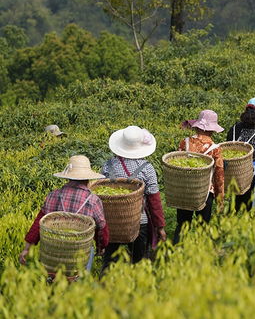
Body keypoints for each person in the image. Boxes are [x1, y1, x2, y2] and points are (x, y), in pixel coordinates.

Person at [19, 155, 109, 278]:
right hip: (78, 253)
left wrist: (27, 249)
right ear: (88, 179)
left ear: (68, 177)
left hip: (53, 251)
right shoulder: (93, 200)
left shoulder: (54, 195)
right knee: (80, 275)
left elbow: (39, 223)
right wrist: (101, 247)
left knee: (49, 282)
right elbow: (101, 228)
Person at [101, 126, 166, 272]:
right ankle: (140, 289)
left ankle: (104, 288)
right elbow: (154, 200)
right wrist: (160, 226)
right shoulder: (146, 168)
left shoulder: (108, 165)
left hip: (112, 222)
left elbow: (100, 193)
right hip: (137, 221)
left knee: (109, 261)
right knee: (140, 261)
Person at [173, 110, 224, 244]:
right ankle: (201, 256)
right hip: (205, 193)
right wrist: (220, 200)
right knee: (203, 226)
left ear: (197, 126)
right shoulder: (215, 148)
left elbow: (177, 165)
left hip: (185, 190)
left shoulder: (185, 142)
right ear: (212, 130)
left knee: (183, 225)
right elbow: (219, 175)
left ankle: (174, 255)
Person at [227, 98, 255, 211]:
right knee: (251, 206)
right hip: (252, 173)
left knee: (234, 205)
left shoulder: (233, 129)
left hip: (233, 170)